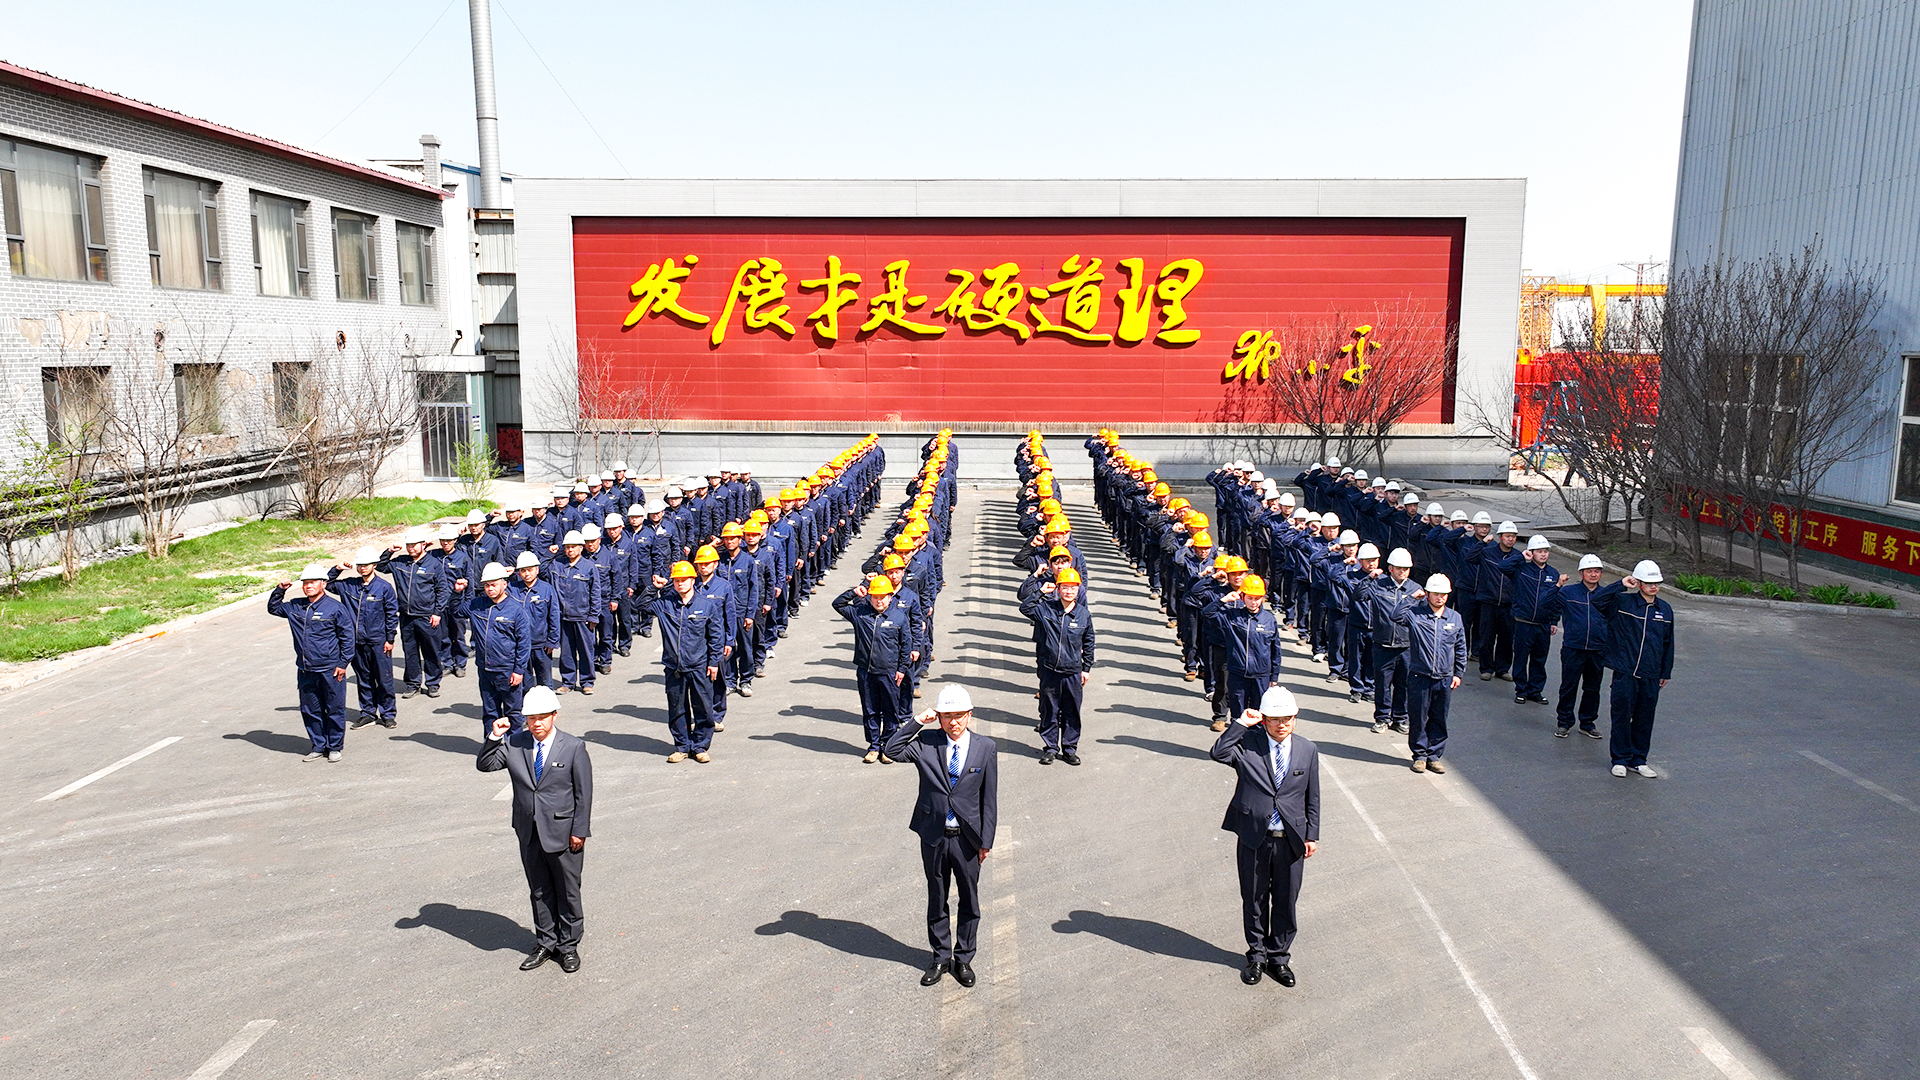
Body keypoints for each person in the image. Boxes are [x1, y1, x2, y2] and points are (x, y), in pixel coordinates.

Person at [883, 684, 999, 989]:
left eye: (959, 716)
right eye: (947, 716)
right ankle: (940, 956)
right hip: (933, 835)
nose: (954, 723)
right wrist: (919, 720)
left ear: (970, 715)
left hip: (967, 839)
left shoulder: (985, 748)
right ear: (940, 717)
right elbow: (891, 750)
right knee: (937, 898)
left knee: (969, 900)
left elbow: (989, 799)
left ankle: (963, 958)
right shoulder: (927, 742)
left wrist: (986, 841)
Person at [477, 685, 593, 974]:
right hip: (528, 830)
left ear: (554, 715)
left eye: (542, 717)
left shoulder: (573, 747)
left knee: (567, 890)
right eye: (531, 719)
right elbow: (486, 764)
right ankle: (546, 941)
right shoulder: (516, 743)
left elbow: (584, 794)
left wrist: (579, 830)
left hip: (564, 831)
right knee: (539, 889)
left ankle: (568, 946)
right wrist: (495, 736)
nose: (536, 724)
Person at [1209, 686, 1319, 988]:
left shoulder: (1308, 750)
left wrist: (1312, 835)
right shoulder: (1248, 745)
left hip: (1292, 839)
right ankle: (1257, 956)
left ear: (1295, 718)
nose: (1282, 725)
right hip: (1254, 837)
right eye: (1274, 719)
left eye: (1288, 718)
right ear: (1264, 720)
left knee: (1286, 901)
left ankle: (1279, 958)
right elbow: (1218, 752)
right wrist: (1241, 723)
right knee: (1254, 899)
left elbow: (1313, 796)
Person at [1593, 560, 1675, 778]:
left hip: (1651, 674)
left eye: (1656, 583)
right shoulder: (1623, 602)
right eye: (1648, 583)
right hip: (1625, 671)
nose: (1653, 587)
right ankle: (1619, 759)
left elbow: (1668, 644)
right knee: (1621, 715)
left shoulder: (1665, 610)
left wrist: (1665, 672)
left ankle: (1638, 760)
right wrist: (1620, 584)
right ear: (1639, 583)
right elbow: (1597, 600)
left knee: (1644, 717)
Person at [267, 563, 356, 762]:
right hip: (306, 669)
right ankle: (318, 745)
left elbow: (348, 638)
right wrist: (280, 590)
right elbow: (273, 609)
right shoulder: (296, 606)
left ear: (323, 584)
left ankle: (334, 746)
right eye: (306, 583)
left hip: (331, 669)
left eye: (313, 582)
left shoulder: (335, 608)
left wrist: (343, 663)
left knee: (334, 708)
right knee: (310, 709)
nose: (308, 586)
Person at [1017, 566, 1096, 765]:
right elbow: (1025, 607)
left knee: (1072, 711)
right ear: (1058, 589)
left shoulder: (1083, 615)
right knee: (1049, 710)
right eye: (1065, 587)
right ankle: (1050, 747)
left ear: (1079, 590)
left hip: (1072, 671)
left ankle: (1069, 749)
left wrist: (1086, 668)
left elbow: (1089, 642)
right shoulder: (1046, 609)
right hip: (1049, 669)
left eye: (1073, 587)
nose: (1069, 591)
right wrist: (1040, 591)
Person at [834, 574, 915, 764]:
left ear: (889, 597)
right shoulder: (860, 614)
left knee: (890, 711)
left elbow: (906, 645)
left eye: (883, 596)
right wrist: (853, 592)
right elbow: (838, 605)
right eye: (875, 596)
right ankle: (873, 746)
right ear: (870, 596)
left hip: (890, 673)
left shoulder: (899, 617)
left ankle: (887, 746)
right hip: (866, 672)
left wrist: (902, 669)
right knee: (870, 710)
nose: (879, 601)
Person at [649, 561, 725, 763]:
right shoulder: (665, 604)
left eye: (684, 580)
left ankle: (700, 746)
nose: (680, 583)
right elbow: (639, 605)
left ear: (693, 580)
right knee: (677, 709)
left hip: (699, 666)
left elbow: (716, 636)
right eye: (676, 581)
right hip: (674, 667)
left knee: (703, 708)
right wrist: (655, 588)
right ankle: (682, 746)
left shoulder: (706, 605)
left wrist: (714, 662)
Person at [1395, 574, 1468, 773]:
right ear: (1427, 594)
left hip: (1444, 677)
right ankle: (1419, 755)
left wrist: (1458, 673)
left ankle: (1434, 755)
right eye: (1436, 594)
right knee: (1418, 717)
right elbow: (1396, 616)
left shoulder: (1455, 617)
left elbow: (1461, 647)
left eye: (1444, 594)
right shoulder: (1415, 614)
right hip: (1420, 676)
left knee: (1439, 718)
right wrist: (1411, 598)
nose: (1440, 598)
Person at [327, 546, 399, 729]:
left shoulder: (384, 588)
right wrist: (337, 568)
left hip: (378, 641)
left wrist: (390, 639)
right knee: (364, 678)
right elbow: (327, 583)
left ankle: (388, 714)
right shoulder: (349, 585)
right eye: (360, 565)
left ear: (374, 565)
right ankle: (368, 712)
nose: (362, 568)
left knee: (384, 678)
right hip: (356, 642)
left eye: (366, 565)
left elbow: (391, 614)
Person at [1202, 573, 1285, 727]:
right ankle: (1238, 745)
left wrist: (1274, 677)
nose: (1253, 602)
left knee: (1259, 715)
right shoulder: (1232, 617)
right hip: (1238, 674)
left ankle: (1255, 747)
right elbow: (1207, 613)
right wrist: (1224, 599)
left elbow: (1275, 650)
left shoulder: (1269, 619)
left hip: (1261, 676)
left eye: (1257, 598)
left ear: (1262, 598)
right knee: (1238, 716)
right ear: (1243, 597)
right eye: (1250, 598)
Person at [380, 527, 449, 699]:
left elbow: (443, 590)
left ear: (423, 544)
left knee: (431, 651)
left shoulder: (433, 564)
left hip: (427, 616)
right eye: (408, 545)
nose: (410, 548)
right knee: (410, 652)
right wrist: (389, 551)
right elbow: (381, 566)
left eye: (414, 545)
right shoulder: (400, 562)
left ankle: (433, 683)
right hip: (406, 617)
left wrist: (437, 613)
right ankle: (413, 684)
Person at [1359, 547, 1421, 735]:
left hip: (1406, 646)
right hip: (1383, 644)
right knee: (1382, 684)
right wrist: (1370, 577)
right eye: (1398, 568)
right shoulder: (1379, 585)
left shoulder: (1415, 589)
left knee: (1404, 684)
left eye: (1406, 568)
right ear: (1390, 568)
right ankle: (1382, 718)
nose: (1402, 572)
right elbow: (1359, 595)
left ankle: (1400, 718)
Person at [1548, 554, 1610, 739]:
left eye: (1597, 571)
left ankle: (1587, 723)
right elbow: (1547, 603)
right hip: (1573, 648)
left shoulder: (1606, 595)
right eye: (1589, 571)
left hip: (1597, 649)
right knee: (1569, 686)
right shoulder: (1568, 592)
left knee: (1592, 688)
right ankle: (1564, 722)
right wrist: (1557, 585)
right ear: (1581, 573)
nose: (1593, 574)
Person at [468, 562, 532, 738]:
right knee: (490, 711)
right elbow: (457, 611)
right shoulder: (477, 605)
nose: (490, 589)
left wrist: (519, 671)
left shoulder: (516, 610)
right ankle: (492, 746)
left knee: (513, 712)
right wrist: (458, 591)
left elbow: (524, 643)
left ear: (504, 583)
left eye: (494, 584)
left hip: (507, 670)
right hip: (485, 669)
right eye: (487, 585)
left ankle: (515, 748)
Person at [1508, 535, 1563, 706]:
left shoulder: (1553, 573)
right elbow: (1503, 566)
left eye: (1545, 551)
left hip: (1543, 624)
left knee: (1539, 659)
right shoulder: (1521, 569)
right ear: (1531, 552)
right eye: (1539, 551)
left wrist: (1554, 621)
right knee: (1521, 658)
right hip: (1523, 622)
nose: (1543, 554)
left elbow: (1556, 599)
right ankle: (1521, 690)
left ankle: (1535, 690)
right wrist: (1520, 557)